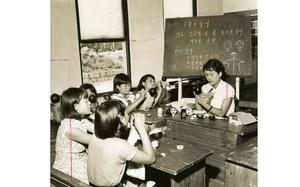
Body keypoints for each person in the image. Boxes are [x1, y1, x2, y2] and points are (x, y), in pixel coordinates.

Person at [87, 100, 155, 187]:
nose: (129, 114)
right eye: (126, 112)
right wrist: (141, 128)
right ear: (121, 119)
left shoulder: (95, 137)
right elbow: (150, 159)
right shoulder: (120, 145)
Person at [53, 87, 94, 184]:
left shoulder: (80, 120)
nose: (89, 103)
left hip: (81, 163)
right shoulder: (71, 129)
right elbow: (98, 140)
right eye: (85, 100)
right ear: (76, 107)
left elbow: (100, 131)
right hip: (67, 174)